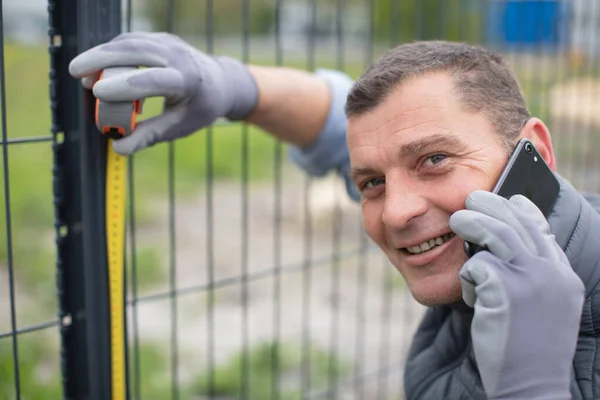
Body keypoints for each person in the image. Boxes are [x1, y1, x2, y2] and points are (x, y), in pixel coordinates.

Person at [69, 32, 600, 399]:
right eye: (371, 183)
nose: (394, 212)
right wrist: (235, 87)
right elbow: (363, 132)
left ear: (535, 153)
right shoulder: (479, 250)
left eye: (435, 160)